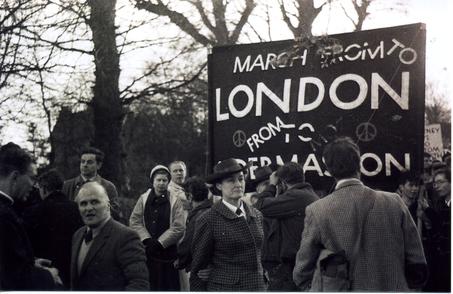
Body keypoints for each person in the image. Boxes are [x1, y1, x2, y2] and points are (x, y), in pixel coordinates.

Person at [293, 137, 428, 291]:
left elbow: (302, 270)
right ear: (359, 164)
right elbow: (417, 261)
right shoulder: (394, 202)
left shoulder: (317, 210)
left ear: (329, 170)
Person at [190, 158, 265, 291]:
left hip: (257, 287)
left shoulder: (256, 214)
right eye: (231, 180)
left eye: (241, 179)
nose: (238, 184)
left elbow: (260, 253)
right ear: (219, 186)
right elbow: (199, 268)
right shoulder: (208, 219)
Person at [0, 142, 61, 290]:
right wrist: (49, 276)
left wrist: (31, 263)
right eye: (32, 178)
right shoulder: (4, 216)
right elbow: (13, 279)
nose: (34, 185)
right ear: (15, 177)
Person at [70, 181, 149, 290]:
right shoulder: (78, 235)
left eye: (95, 202)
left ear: (108, 206)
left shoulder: (126, 237)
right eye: (83, 203)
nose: (88, 208)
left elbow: (139, 285)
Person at [253, 162, 319, 291]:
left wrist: (272, 185)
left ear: (282, 183)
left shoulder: (295, 196)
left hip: (291, 269)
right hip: (300, 264)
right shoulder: (307, 194)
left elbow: (259, 206)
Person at [22, 169, 83, 288]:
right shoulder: (78, 209)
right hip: (72, 271)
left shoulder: (34, 212)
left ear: (44, 188)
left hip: (45, 274)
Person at [129, 165, 185, 291]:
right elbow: (134, 221)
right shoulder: (143, 198)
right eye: (158, 180)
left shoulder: (175, 200)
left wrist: (160, 243)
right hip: (147, 252)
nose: (161, 183)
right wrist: (146, 239)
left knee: (168, 286)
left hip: (168, 253)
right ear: (153, 182)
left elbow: (179, 227)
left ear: (168, 182)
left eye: (164, 180)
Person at [62, 147, 122, 221]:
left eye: (89, 162)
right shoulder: (68, 186)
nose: (85, 165)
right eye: (82, 161)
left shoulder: (108, 186)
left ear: (99, 165)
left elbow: (116, 215)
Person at [176, 176, 213, 272]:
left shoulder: (198, 217)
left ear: (189, 196)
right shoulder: (214, 211)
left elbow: (187, 246)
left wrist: (179, 261)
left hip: (200, 270)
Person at [167, 160, 190, 290]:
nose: (178, 173)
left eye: (181, 170)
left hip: (191, 235)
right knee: (184, 278)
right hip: (179, 238)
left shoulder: (188, 188)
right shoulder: (169, 191)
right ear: (170, 174)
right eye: (175, 171)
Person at [427, 168, 451, 292]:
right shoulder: (440, 203)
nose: (436, 186)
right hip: (440, 262)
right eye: (435, 183)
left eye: (441, 182)